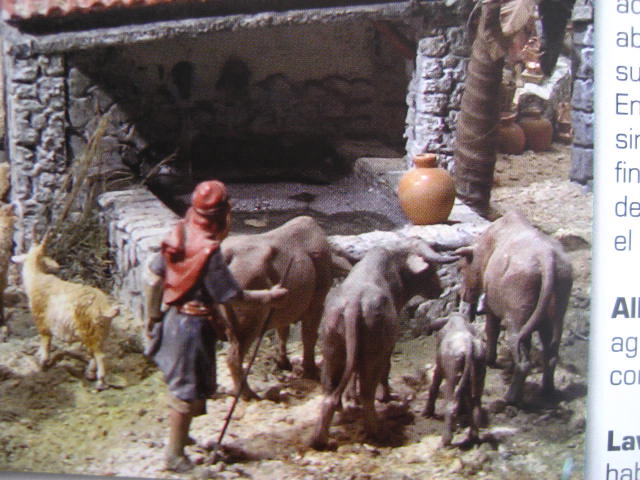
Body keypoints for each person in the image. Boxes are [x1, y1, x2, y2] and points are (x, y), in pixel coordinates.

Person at [143, 179, 287, 472]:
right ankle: (174, 455)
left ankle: (181, 436)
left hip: (173, 318)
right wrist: (268, 297)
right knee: (185, 391)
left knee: (187, 384)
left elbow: (154, 280)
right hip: (193, 328)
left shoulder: (179, 233)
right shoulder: (209, 253)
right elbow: (232, 296)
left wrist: (153, 316)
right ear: (224, 215)